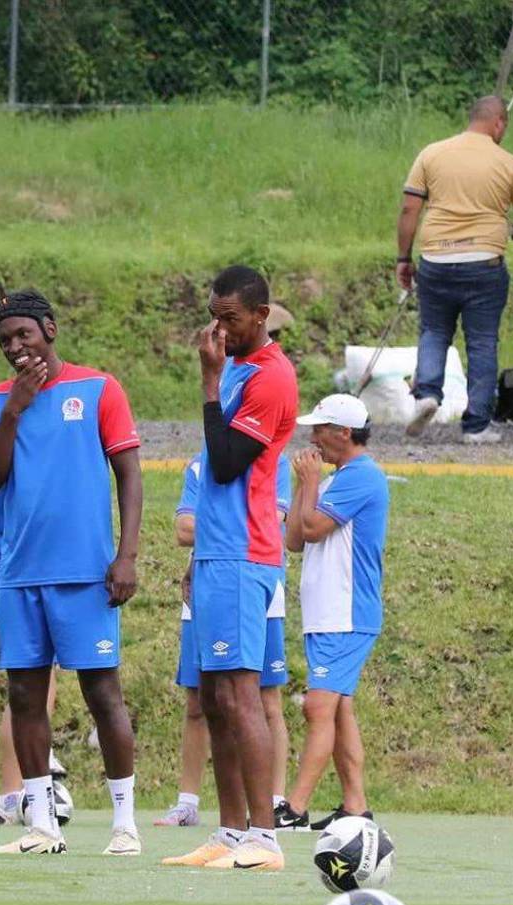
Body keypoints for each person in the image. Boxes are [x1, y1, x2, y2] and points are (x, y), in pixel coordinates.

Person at [0, 290, 143, 856]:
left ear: (49, 328)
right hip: (21, 574)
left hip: (86, 574)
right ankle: (42, 825)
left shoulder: (99, 388)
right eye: (5, 342)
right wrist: (15, 410)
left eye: (24, 334)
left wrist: (127, 554)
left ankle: (125, 823)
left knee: (103, 694)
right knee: (25, 697)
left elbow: (129, 473)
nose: (16, 348)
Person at [162, 265, 298, 872]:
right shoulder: (238, 367)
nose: (219, 328)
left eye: (230, 318)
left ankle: (265, 839)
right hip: (217, 552)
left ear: (261, 316)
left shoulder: (271, 377)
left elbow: (223, 465)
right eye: (214, 316)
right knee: (215, 696)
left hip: (247, 553)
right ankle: (230, 831)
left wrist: (209, 382)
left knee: (244, 695)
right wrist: (197, 555)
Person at [397, 94, 513, 444]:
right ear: (498, 123)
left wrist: (404, 258)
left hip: (436, 260)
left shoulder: (431, 154)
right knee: (481, 343)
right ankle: (476, 426)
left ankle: (428, 394)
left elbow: (409, 210)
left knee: (434, 331)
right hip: (485, 264)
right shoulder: (507, 162)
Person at [155, 452, 291, 828]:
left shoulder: (272, 462)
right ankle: (189, 802)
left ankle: (273, 804)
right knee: (201, 698)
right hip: (205, 586)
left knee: (264, 699)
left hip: (257, 586)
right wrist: (231, 523)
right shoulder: (200, 465)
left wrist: (215, 524)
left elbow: (270, 520)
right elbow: (183, 529)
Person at [278, 394, 390, 831]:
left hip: (347, 613)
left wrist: (307, 482)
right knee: (338, 711)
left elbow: (312, 527)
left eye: (321, 429)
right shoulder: (335, 479)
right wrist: (307, 484)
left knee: (318, 707)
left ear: (344, 433)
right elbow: (294, 540)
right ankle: (355, 806)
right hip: (326, 614)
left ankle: (295, 806)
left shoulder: (361, 477)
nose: (313, 437)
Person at [0, 513, 66, 827]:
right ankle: (11, 795)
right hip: (15, 572)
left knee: (40, 680)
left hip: (27, 566)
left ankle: (17, 789)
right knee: (33, 683)